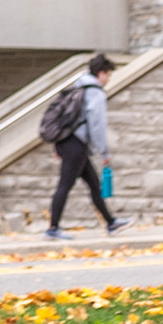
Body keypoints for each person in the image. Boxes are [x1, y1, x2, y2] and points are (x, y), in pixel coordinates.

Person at [46, 54, 124, 240]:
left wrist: (59, 146)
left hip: (69, 143)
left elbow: (67, 119)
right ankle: (53, 228)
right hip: (76, 145)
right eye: (109, 75)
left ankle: (110, 222)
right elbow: (97, 124)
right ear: (102, 74)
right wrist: (104, 152)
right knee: (65, 185)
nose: (108, 80)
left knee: (94, 185)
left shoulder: (77, 87)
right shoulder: (95, 92)